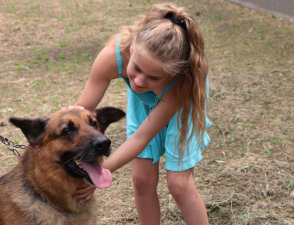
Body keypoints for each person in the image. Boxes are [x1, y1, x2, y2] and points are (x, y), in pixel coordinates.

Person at [74, 3, 211, 225]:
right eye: (136, 68)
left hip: (182, 105)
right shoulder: (112, 56)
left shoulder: (182, 82)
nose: (137, 81)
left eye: (153, 77)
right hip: (144, 102)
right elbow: (81, 110)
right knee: (141, 179)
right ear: (132, 50)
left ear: (173, 74)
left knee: (179, 184)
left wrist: (99, 174)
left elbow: (141, 138)